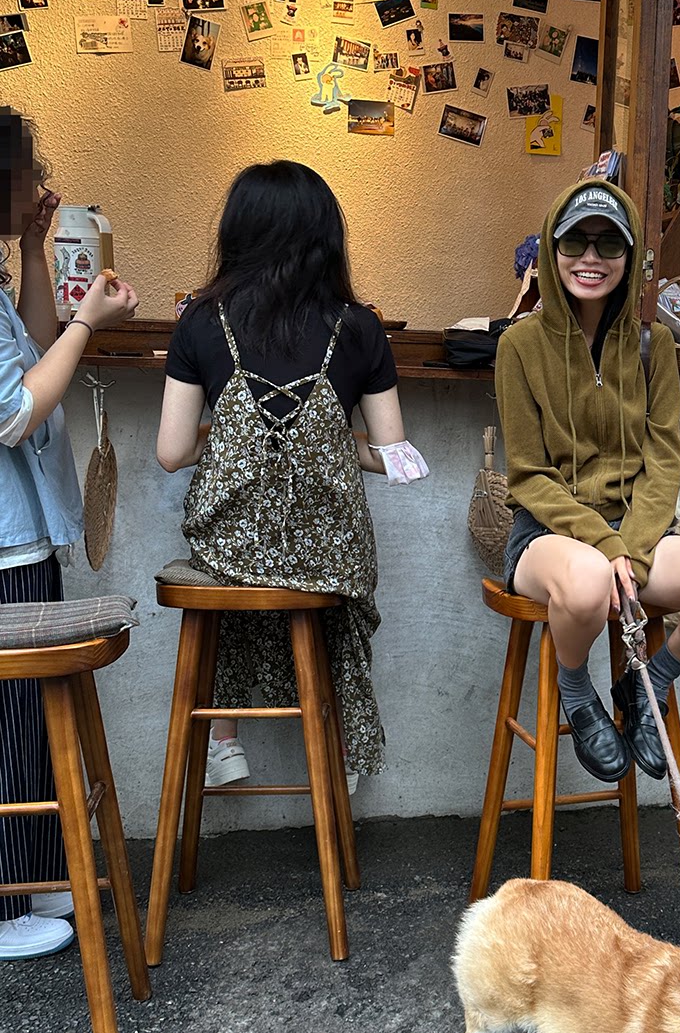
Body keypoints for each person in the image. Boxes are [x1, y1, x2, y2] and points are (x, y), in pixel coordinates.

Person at [157, 160, 426, 792]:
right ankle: (337, 742)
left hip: (231, 545)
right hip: (331, 552)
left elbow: (171, 452)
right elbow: (393, 454)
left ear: (237, 231)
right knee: (320, 593)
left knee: (240, 579)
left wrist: (235, 437)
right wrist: (331, 443)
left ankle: (223, 739)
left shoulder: (201, 320)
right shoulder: (361, 327)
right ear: (326, 236)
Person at [495, 180, 680, 783]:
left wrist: (632, 547)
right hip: (547, 538)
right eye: (575, 241)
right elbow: (528, 475)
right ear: (552, 247)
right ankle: (576, 688)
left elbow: (663, 460)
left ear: (630, 257)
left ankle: (650, 684)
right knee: (590, 578)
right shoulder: (519, 346)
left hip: (638, 536)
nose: (590, 258)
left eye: (609, 243)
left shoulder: (655, 345)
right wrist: (606, 546)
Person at [0, 110, 138, 959]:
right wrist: (90, 321)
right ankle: (5, 904)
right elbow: (14, 411)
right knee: (8, 727)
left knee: (23, 722)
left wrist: (34, 251)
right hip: (4, 544)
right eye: (27, 171)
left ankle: (28, 876)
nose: (40, 181)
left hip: (23, 535)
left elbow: (32, 351)